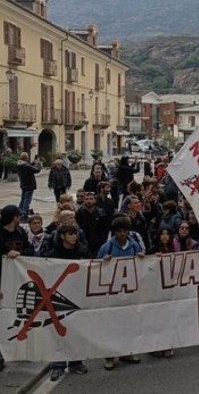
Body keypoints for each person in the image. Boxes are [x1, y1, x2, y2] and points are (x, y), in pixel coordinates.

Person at [97, 217, 144, 370]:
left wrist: (141, 258)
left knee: (128, 323)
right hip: (112, 293)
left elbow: (141, 265)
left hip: (129, 292)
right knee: (111, 325)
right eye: (119, 232)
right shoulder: (107, 247)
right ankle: (109, 356)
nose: (122, 234)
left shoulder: (134, 245)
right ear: (114, 232)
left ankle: (126, 352)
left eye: (125, 231)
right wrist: (103, 262)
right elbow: (96, 267)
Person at [46, 223, 89, 381]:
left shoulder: (83, 251)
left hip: (77, 296)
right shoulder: (52, 254)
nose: (74, 237)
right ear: (62, 236)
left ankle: (75, 362)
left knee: (76, 331)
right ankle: (57, 365)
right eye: (70, 234)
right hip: (58, 298)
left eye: (75, 234)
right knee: (57, 333)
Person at [0, 204, 34, 372]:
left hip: (18, 279)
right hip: (2, 280)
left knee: (20, 312)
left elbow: (29, 248)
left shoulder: (20, 232)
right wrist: (6, 253)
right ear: (14, 217)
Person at [16, 152, 41, 221]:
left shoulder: (19, 164)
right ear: (26, 158)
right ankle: (24, 214)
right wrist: (38, 163)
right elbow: (36, 170)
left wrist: (33, 163)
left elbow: (29, 167)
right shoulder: (26, 166)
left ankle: (20, 213)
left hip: (23, 184)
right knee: (27, 200)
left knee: (23, 199)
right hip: (29, 184)